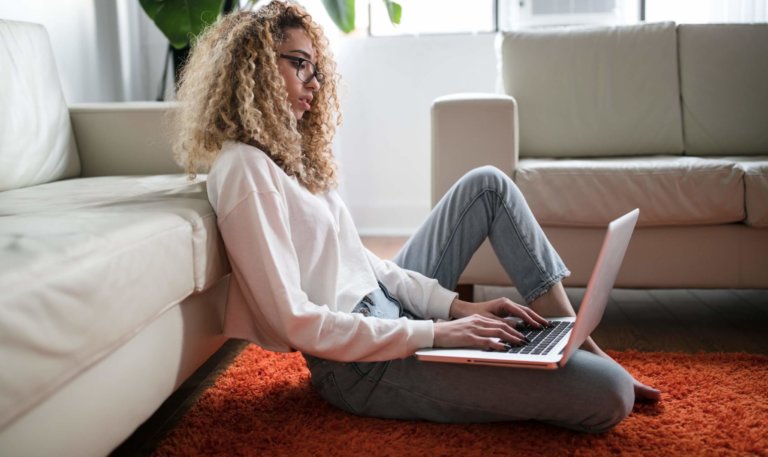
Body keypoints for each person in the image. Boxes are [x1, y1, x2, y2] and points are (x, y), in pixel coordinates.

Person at [173, 0, 660, 433]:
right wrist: (435, 333)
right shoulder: (244, 169)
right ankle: (577, 357)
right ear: (254, 66)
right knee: (610, 394)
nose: (314, 84)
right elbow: (295, 321)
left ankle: (573, 337)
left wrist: (455, 309)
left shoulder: (287, 157)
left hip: (388, 312)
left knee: (486, 185)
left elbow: (364, 264)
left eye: (316, 70)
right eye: (299, 65)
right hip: (360, 366)